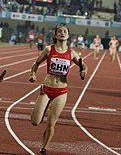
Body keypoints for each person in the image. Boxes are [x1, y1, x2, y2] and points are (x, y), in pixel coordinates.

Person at [29, 25, 88, 155]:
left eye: (65, 31)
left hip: (61, 91)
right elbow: (36, 64)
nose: (62, 33)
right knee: (35, 121)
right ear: (55, 35)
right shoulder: (48, 49)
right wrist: (33, 73)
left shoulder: (71, 53)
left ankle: (43, 149)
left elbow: (84, 66)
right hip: (47, 88)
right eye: (59, 31)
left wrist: (83, 72)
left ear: (68, 35)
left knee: (51, 123)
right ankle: (42, 109)